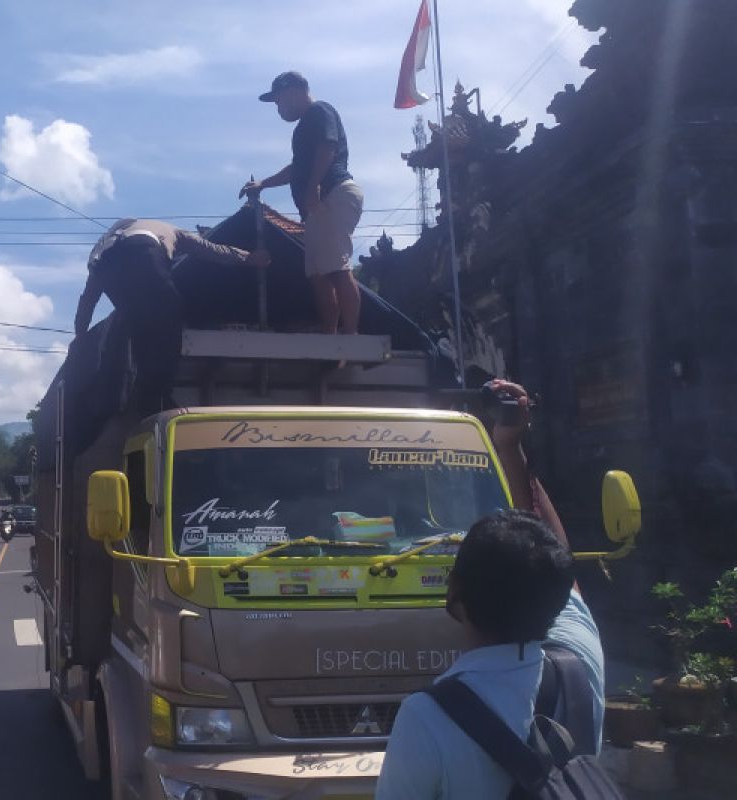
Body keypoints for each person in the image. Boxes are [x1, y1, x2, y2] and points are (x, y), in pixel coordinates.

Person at [374, 380, 605, 798]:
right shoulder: (580, 667)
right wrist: (511, 448)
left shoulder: (426, 717)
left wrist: (508, 446)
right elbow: (554, 556)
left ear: (455, 601)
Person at [74, 218, 270, 415]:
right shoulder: (172, 231)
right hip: (142, 252)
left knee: (141, 328)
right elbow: (210, 249)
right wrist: (249, 257)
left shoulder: (107, 243)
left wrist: (80, 336)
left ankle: (144, 400)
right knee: (168, 313)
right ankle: (158, 397)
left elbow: (88, 300)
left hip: (105, 270)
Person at [241, 71, 365, 335]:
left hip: (332, 195)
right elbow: (296, 168)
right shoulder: (303, 128)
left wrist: (313, 188)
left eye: (279, 101)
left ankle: (351, 334)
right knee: (319, 275)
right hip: (318, 206)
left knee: (337, 266)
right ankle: (330, 334)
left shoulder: (319, 112)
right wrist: (263, 183)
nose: (278, 108)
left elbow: (326, 148)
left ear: (294, 92)